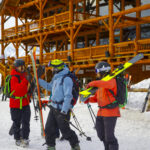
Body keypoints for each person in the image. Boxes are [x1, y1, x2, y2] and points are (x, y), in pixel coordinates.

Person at [38, 59, 80, 150]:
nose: (52, 70)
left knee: (65, 131)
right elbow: (49, 87)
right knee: (49, 129)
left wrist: (64, 111)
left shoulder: (66, 79)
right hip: (53, 108)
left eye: (53, 68)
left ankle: (75, 145)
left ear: (57, 68)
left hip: (62, 110)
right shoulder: (56, 77)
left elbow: (68, 96)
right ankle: (51, 146)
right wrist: (38, 80)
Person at [85, 61, 120, 150]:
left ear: (103, 71)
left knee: (109, 137)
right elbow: (96, 98)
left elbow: (106, 84)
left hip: (111, 112)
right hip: (101, 113)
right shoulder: (100, 84)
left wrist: (91, 83)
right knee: (101, 134)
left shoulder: (112, 81)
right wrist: (88, 99)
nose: (96, 74)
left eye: (97, 71)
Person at [9, 59, 31, 147]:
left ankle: (25, 138)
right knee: (16, 122)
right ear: (16, 67)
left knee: (26, 122)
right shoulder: (13, 77)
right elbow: (18, 91)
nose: (22, 68)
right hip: (15, 104)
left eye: (23, 66)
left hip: (25, 103)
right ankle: (17, 138)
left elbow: (27, 90)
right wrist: (26, 80)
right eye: (20, 66)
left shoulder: (24, 75)